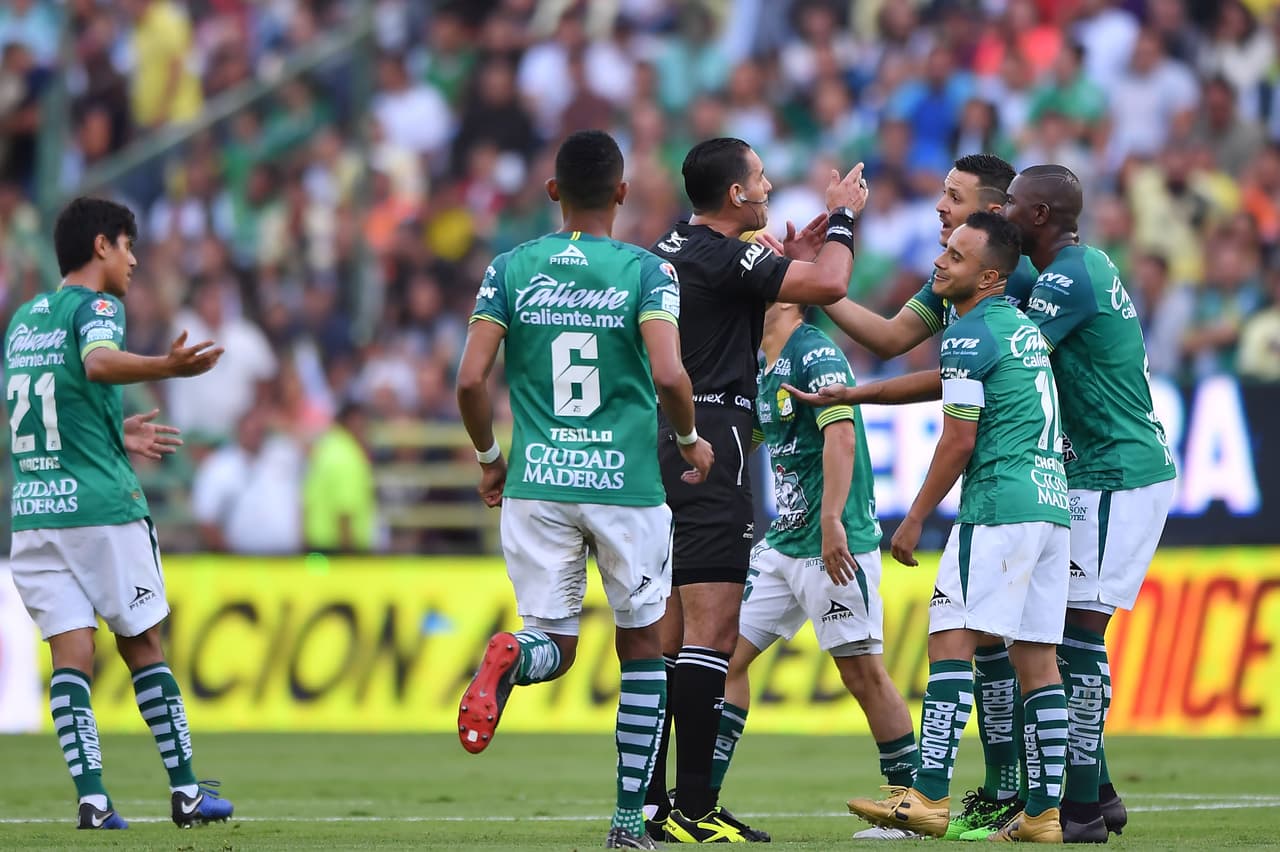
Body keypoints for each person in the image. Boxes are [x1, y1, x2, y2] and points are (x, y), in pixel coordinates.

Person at [454, 130, 714, 851]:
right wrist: (691, 440)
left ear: (552, 192)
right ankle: (629, 823)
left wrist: (487, 457)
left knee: (554, 643)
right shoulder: (645, 272)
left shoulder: (511, 267)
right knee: (643, 649)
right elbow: (668, 375)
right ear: (623, 193)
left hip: (538, 483)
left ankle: (512, 648)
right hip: (624, 487)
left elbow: (471, 380)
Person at [792, 212, 1072, 842]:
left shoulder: (970, 333)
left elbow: (959, 439)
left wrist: (914, 519)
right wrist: (855, 395)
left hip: (1000, 506)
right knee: (1037, 660)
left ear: (991, 276)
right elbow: (938, 385)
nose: (940, 261)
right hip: (1051, 507)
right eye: (945, 249)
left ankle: (928, 796)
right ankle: (1045, 814)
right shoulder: (1019, 330)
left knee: (949, 640)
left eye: (957, 255)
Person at [643, 136, 868, 843]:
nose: (769, 188)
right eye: (762, 179)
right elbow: (829, 286)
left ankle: (651, 806)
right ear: (736, 195)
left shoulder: (668, 244)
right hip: (715, 437)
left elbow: (746, 282)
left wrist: (781, 258)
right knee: (712, 632)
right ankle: (694, 810)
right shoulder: (724, 252)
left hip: (660, 438)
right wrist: (842, 221)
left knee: (669, 635)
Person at [4, 197, 233, 830]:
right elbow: (97, 363)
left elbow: (50, 405)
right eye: (129, 247)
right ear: (102, 245)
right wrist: (168, 366)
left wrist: (112, 431)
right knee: (143, 645)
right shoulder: (99, 307)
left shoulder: (24, 320)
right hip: (101, 511)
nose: (134, 261)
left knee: (71, 655)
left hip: (35, 514)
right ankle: (187, 792)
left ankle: (94, 801)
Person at [1004, 165, 1177, 841]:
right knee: (1055, 630)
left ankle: (1077, 808)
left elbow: (1014, 362)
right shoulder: (1075, 267)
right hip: (1101, 471)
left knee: (1076, 634)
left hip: (1118, 473)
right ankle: (1098, 792)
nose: (1007, 215)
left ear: (1040, 215)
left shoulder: (1069, 278)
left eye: (1012, 206)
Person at [708, 300, 918, 841]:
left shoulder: (814, 351)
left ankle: (909, 805)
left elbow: (840, 434)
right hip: (783, 542)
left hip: (834, 539)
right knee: (726, 657)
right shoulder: (763, 364)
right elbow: (757, 437)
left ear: (786, 298)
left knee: (863, 674)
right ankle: (701, 802)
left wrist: (831, 521)